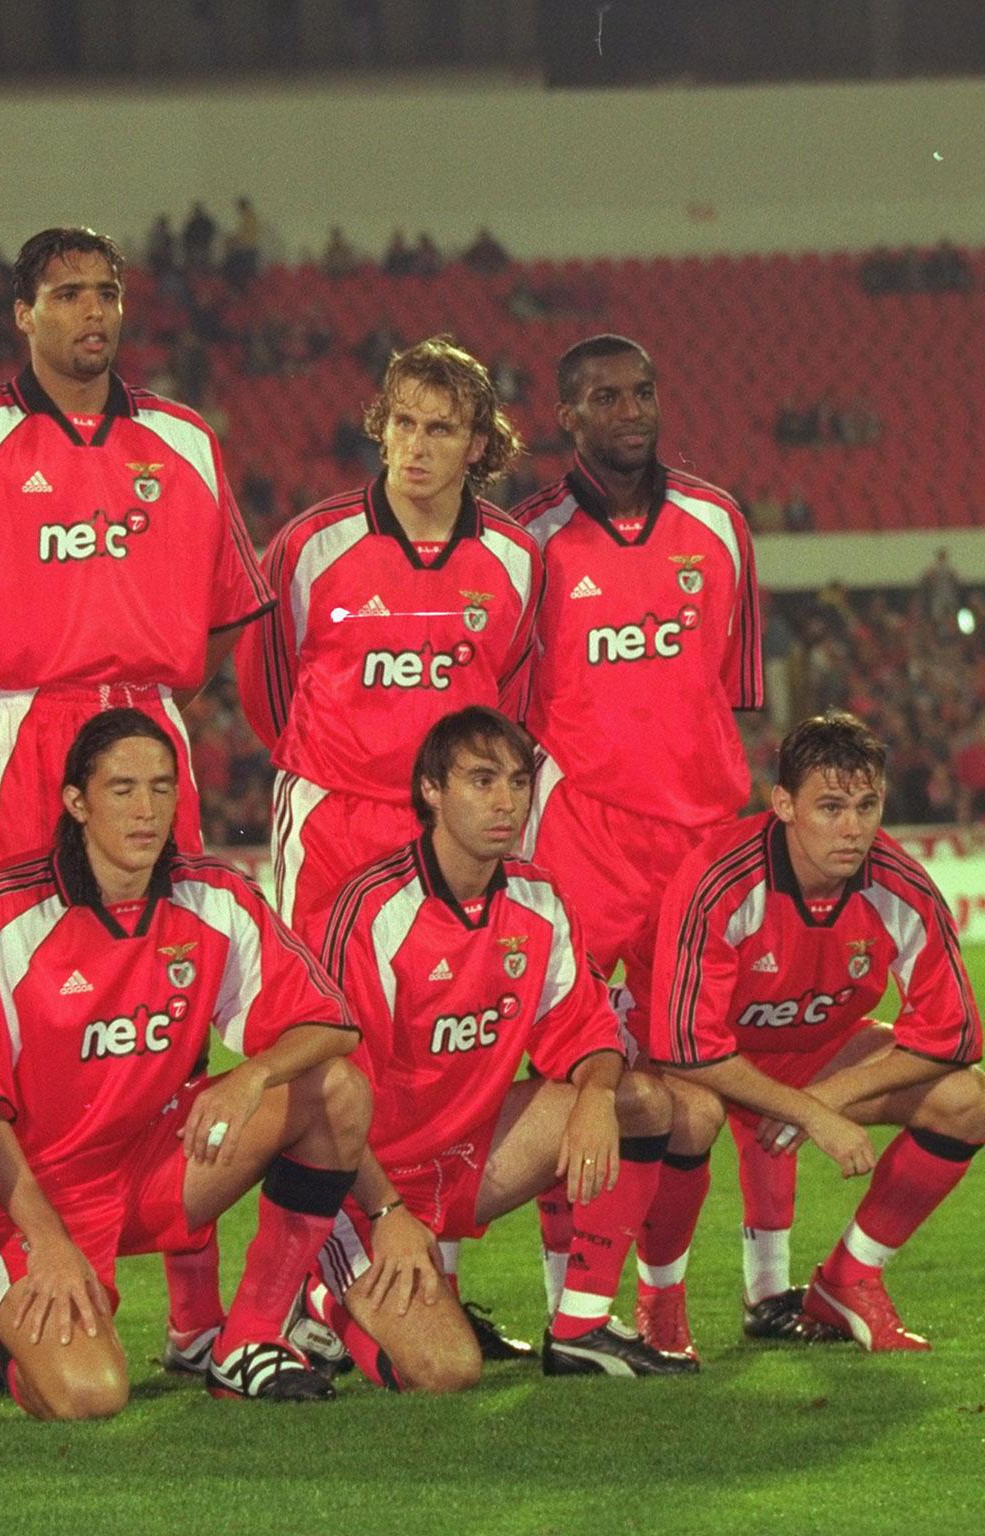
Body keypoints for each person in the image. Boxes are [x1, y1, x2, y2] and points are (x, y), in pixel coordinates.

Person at [0, 227, 270, 1366]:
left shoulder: (183, 440)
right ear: (21, 313)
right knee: (17, 1019)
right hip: (19, 719)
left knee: (177, 1007)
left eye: (105, 293)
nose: (90, 313)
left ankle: (195, 1320)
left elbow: (233, 607)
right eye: (65, 295)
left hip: (146, 719)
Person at [0, 709, 370, 1416]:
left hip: (155, 1166)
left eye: (163, 788)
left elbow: (329, 1025)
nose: (147, 811)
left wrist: (253, 1075)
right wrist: (45, 1240)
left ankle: (249, 1337)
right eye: (122, 789)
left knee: (335, 1091)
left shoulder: (214, 896)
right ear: (76, 802)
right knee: (90, 1395)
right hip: (32, 1195)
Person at [306, 707, 693, 1386]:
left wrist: (598, 1093)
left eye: (518, 782)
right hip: (366, 1181)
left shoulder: (539, 901)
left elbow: (590, 1030)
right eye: (482, 781)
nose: (506, 802)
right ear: (431, 790)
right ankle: (315, 1296)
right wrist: (386, 1210)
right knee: (446, 1371)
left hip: (467, 1161)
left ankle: (581, 1329)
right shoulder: (374, 911)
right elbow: (326, 1099)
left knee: (643, 1102)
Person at [511, 335, 765, 1349]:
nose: (630, 409)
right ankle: (561, 1295)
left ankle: (660, 1300)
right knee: (568, 1070)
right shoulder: (529, 541)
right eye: (604, 396)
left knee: (691, 1082)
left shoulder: (717, 522)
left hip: (698, 841)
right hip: (577, 833)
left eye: (643, 392)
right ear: (565, 416)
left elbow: (727, 693)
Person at [649, 712, 984, 1351]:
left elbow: (957, 1032)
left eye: (867, 804)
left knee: (969, 1100)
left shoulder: (898, 882)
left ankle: (849, 1277)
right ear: (783, 804)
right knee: (688, 1113)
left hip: (821, 1052)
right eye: (830, 807)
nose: (854, 828)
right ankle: (659, 1299)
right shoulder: (722, 878)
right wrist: (812, 1112)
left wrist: (826, 1099)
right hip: (717, 1062)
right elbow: (685, 1046)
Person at [237, 336, 539, 932]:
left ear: (478, 445)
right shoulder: (309, 545)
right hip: (332, 818)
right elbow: (265, 689)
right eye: (403, 422)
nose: (415, 446)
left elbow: (510, 700)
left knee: (444, 1005)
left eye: (440, 430)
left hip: (449, 823)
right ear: (381, 427)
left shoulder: (516, 557)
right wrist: (339, 759)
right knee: (324, 1009)